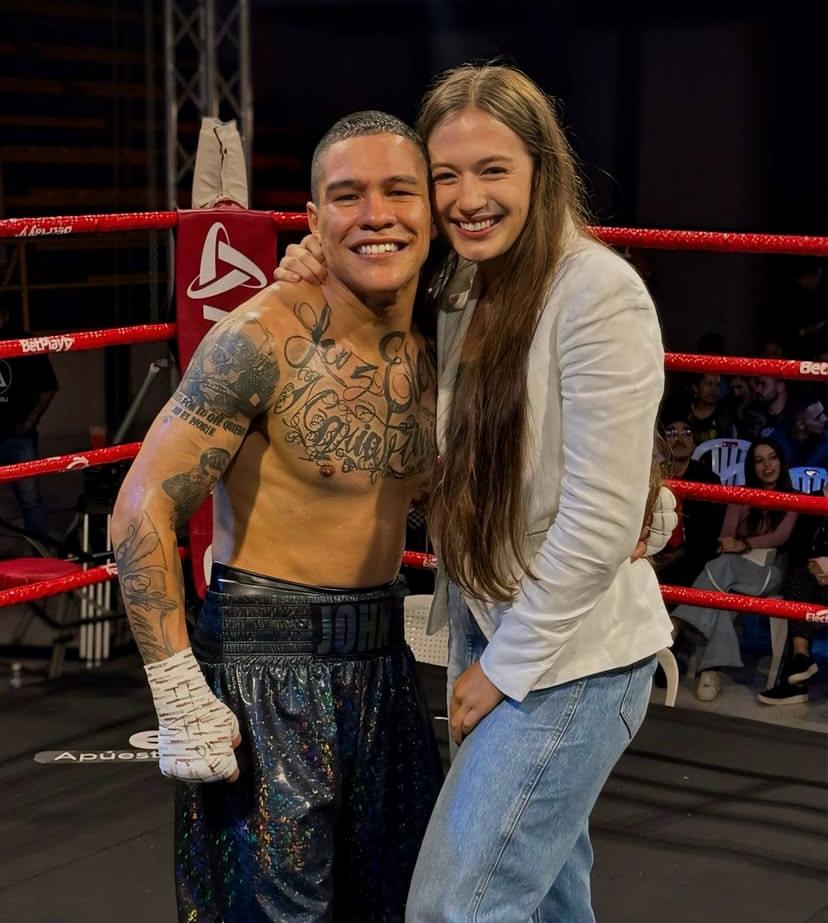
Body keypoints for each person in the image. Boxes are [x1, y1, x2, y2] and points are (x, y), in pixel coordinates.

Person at [278, 63, 674, 923]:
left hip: (568, 659)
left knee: (461, 905)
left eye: (492, 169)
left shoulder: (599, 296)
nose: (466, 197)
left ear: (540, 166)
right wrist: (314, 258)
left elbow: (603, 515)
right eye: (445, 175)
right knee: (547, 900)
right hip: (489, 619)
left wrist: (502, 670)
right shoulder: (464, 286)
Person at [112, 111, 444, 923]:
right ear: (313, 219)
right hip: (267, 656)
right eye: (348, 196)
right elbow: (140, 508)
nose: (376, 214)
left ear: (431, 210)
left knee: (402, 906)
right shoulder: (260, 335)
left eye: (400, 190)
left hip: (386, 663)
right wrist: (177, 688)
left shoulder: (441, 343)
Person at [670, 439, 798, 702]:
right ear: (752, 466)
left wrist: (745, 543)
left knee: (720, 566)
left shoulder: (793, 497)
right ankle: (711, 672)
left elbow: (781, 537)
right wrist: (734, 543)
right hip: (732, 569)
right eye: (759, 460)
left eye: (771, 458)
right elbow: (726, 534)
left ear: (781, 462)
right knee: (722, 601)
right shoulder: (741, 494)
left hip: (767, 571)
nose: (766, 466)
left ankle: (678, 621)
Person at [758, 484, 827, 705]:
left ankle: (796, 674)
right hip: (812, 582)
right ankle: (800, 659)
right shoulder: (811, 501)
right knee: (797, 575)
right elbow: (796, 548)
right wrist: (814, 567)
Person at [0, 299, 58, 541]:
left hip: (18, 435)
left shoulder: (25, 342)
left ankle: (41, 558)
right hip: (16, 434)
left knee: (30, 499)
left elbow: (49, 387)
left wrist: (29, 422)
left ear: (4, 315)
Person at [652, 400, 724, 589]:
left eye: (686, 433)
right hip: (653, 553)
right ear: (661, 442)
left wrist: (681, 554)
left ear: (694, 443)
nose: (680, 438)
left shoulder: (709, 480)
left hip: (693, 558)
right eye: (672, 433)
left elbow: (710, 534)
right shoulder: (651, 476)